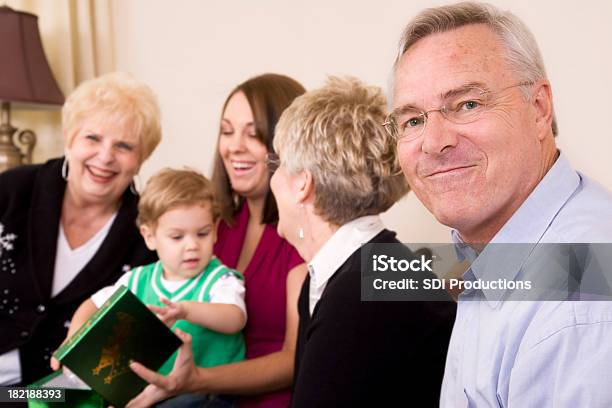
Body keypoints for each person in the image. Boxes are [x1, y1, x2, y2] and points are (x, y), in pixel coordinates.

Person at [389, 2, 612, 406]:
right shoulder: (499, 255)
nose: (434, 142)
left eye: (467, 104)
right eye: (413, 120)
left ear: (540, 108)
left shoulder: (576, 308)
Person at [270, 76, 456, 406]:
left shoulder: (360, 292)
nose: (272, 180)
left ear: (302, 184)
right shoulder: (353, 275)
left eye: (280, 164)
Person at [127, 74, 308, 408]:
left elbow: (295, 360)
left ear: (288, 143)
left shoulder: (302, 235)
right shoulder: (212, 227)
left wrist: (194, 381)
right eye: (226, 131)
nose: (234, 146)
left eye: (253, 134)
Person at [0, 72, 161, 386]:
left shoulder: (150, 236)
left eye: (124, 146)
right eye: (93, 138)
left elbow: (120, 364)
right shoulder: (12, 192)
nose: (105, 157)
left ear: (141, 160)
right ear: (69, 137)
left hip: (51, 397)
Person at [54, 168, 246, 407]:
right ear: (150, 236)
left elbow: (234, 318)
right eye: (177, 237)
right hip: (146, 390)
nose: (192, 246)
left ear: (216, 230)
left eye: (202, 234)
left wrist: (186, 310)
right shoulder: (136, 280)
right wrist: (74, 340)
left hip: (203, 394)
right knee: (55, 396)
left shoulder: (220, 279)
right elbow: (92, 305)